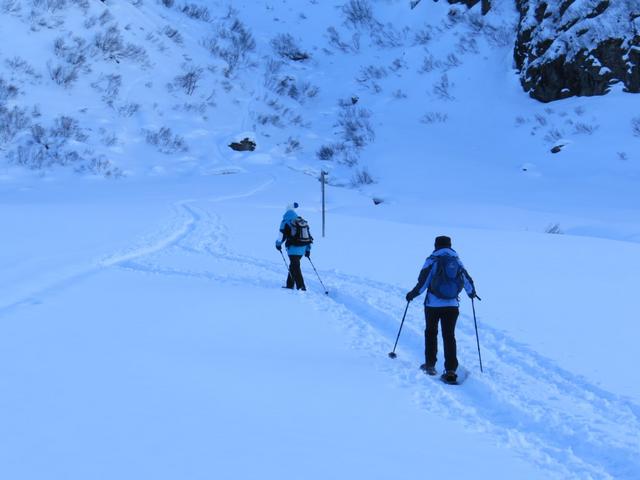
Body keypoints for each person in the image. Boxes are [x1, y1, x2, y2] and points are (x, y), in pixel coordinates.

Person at [405, 235, 476, 383]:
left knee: (431, 333)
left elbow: (423, 282)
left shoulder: (432, 260)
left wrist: (412, 294)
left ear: (436, 245)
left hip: (433, 305)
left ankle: (430, 365)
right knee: (449, 336)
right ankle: (450, 370)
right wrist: (471, 293)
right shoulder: (457, 261)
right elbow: (467, 280)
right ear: (450, 246)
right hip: (452, 306)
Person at [275, 202, 312, 291]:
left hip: (293, 248)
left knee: (295, 266)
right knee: (294, 265)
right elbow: (308, 236)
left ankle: (301, 287)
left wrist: (278, 245)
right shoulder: (301, 221)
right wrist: (307, 250)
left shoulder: (285, 222)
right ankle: (289, 284)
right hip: (302, 248)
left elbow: (281, 236)